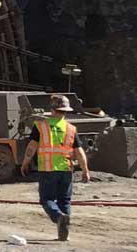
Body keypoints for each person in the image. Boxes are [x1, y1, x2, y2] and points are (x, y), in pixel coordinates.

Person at [19, 93, 92, 240]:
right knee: (64, 200)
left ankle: (59, 217)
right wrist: (85, 170)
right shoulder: (71, 129)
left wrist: (25, 162)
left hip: (47, 169)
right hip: (66, 169)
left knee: (46, 200)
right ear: (66, 111)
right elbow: (79, 151)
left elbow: (32, 146)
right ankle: (63, 233)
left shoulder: (40, 126)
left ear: (52, 110)